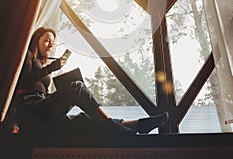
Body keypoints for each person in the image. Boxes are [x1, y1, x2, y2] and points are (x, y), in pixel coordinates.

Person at [12, 27, 169, 136]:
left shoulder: (42, 64)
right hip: (29, 109)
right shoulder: (27, 56)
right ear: (36, 39)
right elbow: (21, 81)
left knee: (84, 120)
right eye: (47, 40)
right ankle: (114, 127)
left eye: (52, 42)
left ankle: (137, 125)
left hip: (42, 111)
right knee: (77, 88)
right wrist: (50, 69)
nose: (51, 45)